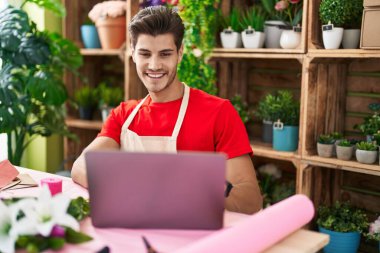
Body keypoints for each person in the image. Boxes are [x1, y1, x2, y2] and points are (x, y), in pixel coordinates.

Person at [71, 6, 262, 214]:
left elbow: (250, 200)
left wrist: (185, 196)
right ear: (133, 54)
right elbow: (81, 167)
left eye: (165, 54)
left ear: (179, 54)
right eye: (145, 54)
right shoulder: (123, 116)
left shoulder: (218, 112)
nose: (154, 65)